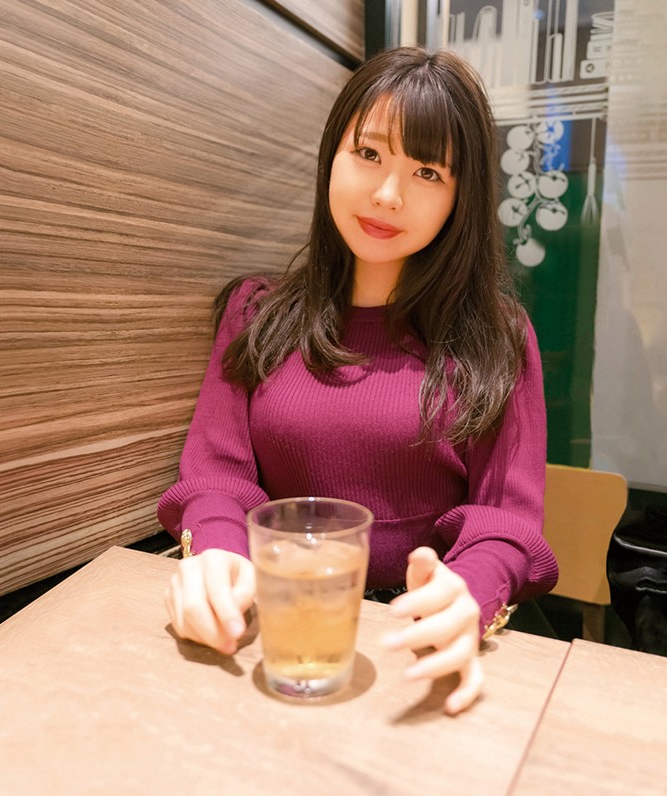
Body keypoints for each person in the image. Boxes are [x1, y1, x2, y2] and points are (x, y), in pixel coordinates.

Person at [159, 46, 559, 715]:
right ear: (331, 157)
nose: (387, 195)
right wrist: (217, 556)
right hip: (283, 623)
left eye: (427, 171)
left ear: (461, 197)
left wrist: (469, 591)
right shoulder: (256, 312)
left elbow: (506, 520)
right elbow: (216, 477)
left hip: (424, 640)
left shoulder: (499, 335)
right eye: (368, 154)